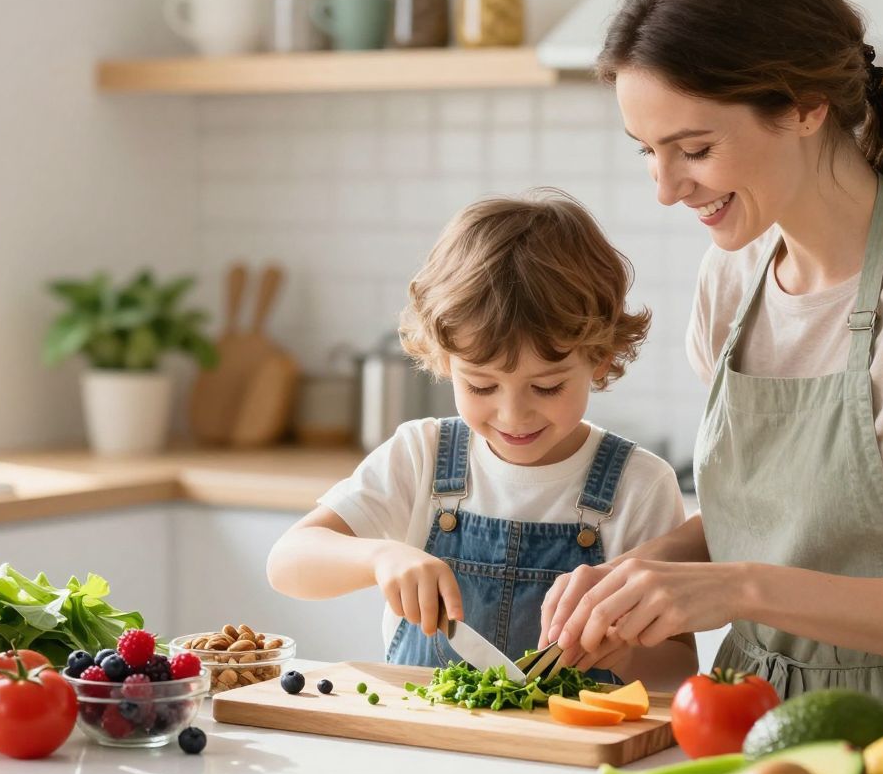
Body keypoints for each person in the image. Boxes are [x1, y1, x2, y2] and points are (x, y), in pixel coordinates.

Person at [540, 0, 883, 700]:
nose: (667, 188)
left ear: (807, 106)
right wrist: (640, 575)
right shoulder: (732, 278)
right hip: (740, 715)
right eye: (647, 150)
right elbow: (776, 525)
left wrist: (739, 589)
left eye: (694, 148)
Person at [268, 190, 698, 687]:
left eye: (547, 387)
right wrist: (380, 557)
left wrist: (623, 656)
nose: (513, 414)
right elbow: (287, 561)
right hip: (423, 729)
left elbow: (678, 669)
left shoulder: (640, 485)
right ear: (445, 360)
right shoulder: (422, 455)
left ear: (599, 358)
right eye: (481, 386)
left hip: (570, 736)